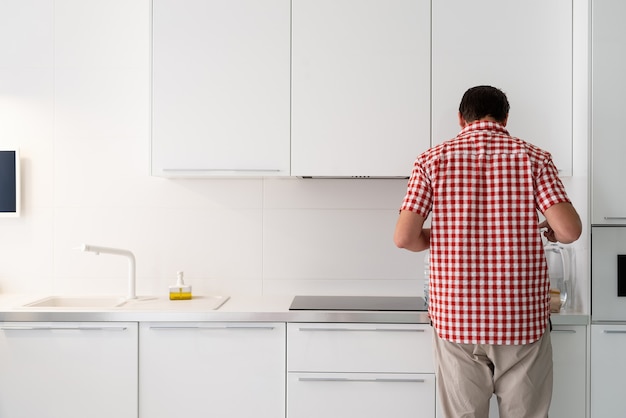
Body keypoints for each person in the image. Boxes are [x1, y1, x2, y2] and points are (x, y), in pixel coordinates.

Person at [394, 85, 582, 418]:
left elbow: (404, 238)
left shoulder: (431, 160)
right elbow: (569, 231)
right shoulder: (534, 158)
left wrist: (442, 236)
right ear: (505, 118)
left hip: (456, 319)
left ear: (460, 119)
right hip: (521, 319)